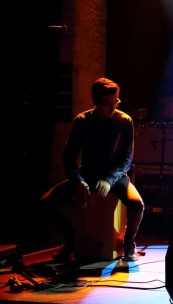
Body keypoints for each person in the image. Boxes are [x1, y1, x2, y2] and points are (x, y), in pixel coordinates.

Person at [39, 77, 145, 262]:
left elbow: (126, 160)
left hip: (115, 175)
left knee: (137, 205)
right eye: (107, 104)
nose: (113, 108)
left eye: (116, 102)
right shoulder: (82, 121)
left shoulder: (125, 121)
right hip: (87, 174)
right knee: (45, 203)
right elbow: (69, 157)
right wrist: (78, 181)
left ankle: (129, 243)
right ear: (95, 102)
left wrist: (109, 179)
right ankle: (72, 239)